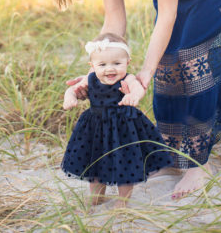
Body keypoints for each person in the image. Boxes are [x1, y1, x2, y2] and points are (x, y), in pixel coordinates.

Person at [53, 0, 221, 199]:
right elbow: (114, 22)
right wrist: (97, 68)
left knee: (190, 53)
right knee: (166, 59)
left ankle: (198, 164)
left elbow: (167, 12)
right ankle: (175, 153)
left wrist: (142, 76)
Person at [61, 33, 173, 206]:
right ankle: (96, 197)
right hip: (96, 129)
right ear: (92, 66)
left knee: (126, 165)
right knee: (95, 163)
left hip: (124, 128)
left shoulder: (127, 78)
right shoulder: (90, 79)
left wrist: (134, 96)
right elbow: (73, 90)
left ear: (127, 62)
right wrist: (70, 97)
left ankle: (122, 200)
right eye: (102, 64)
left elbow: (137, 88)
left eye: (117, 63)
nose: (110, 69)